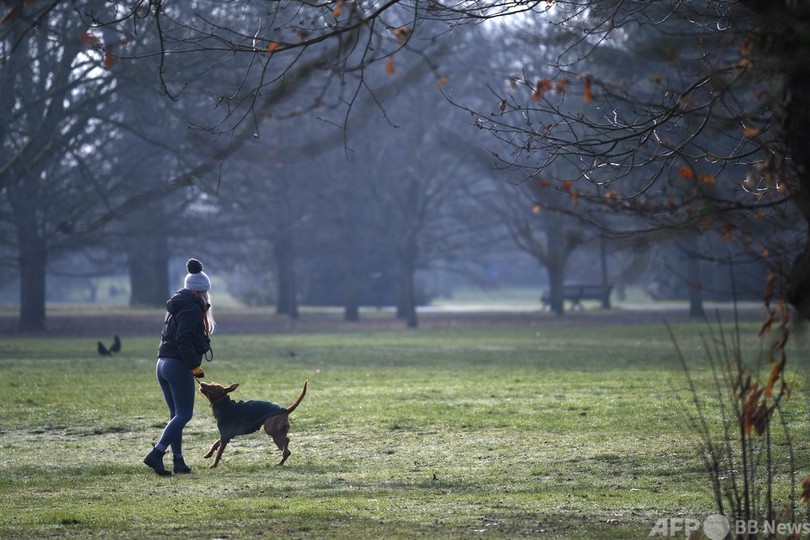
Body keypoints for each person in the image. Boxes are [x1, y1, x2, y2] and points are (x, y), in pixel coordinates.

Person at [143, 258, 216, 476]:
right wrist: (194, 366)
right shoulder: (192, 308)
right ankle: (157, 453)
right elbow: (183, 339)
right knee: (184, 414)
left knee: (176, 414)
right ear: (200, 291)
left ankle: (178, 461)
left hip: (162, 363)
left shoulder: (177, 303)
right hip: (177, 365)